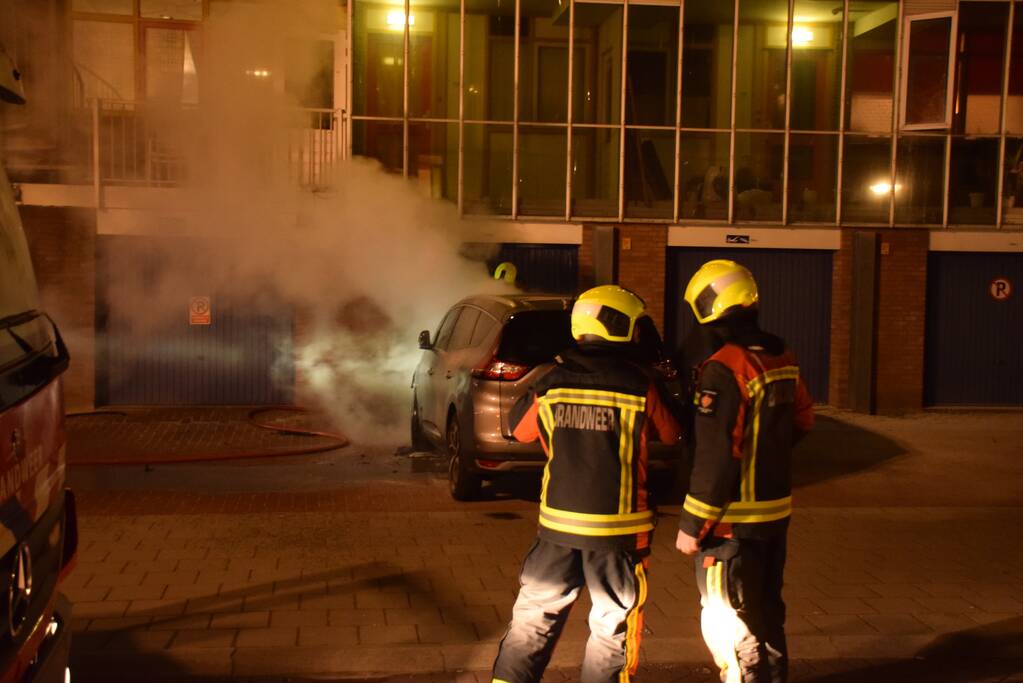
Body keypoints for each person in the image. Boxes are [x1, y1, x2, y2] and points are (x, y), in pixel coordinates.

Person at [492, 285, 682, 683]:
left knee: (533, 619)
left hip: (557, 529)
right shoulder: (640, 383)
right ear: (620, 326)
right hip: (619, 533)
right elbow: (672, 433)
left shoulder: (551, 381)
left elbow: (519, 430)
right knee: (612, 627)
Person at [674, 260, 814, 683]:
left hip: (731, 525)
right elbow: (804, 419)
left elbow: (716, 456)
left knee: (730, 617)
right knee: (767, 611)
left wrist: (692, 525)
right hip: (774, 514)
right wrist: (765, 453)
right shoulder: (781, 355)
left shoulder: (724, 366)